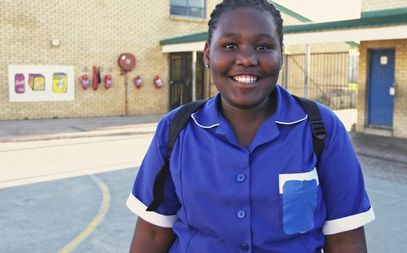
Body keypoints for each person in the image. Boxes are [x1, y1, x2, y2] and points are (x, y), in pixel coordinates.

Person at [126, 0, 374, 252]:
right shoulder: (177, 129)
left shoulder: (319, 128)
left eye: (263, 46)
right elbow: (154, 233)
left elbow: (345, 238)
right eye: (230, 45)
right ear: (208, 54)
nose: (246, 59)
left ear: (281, 56)